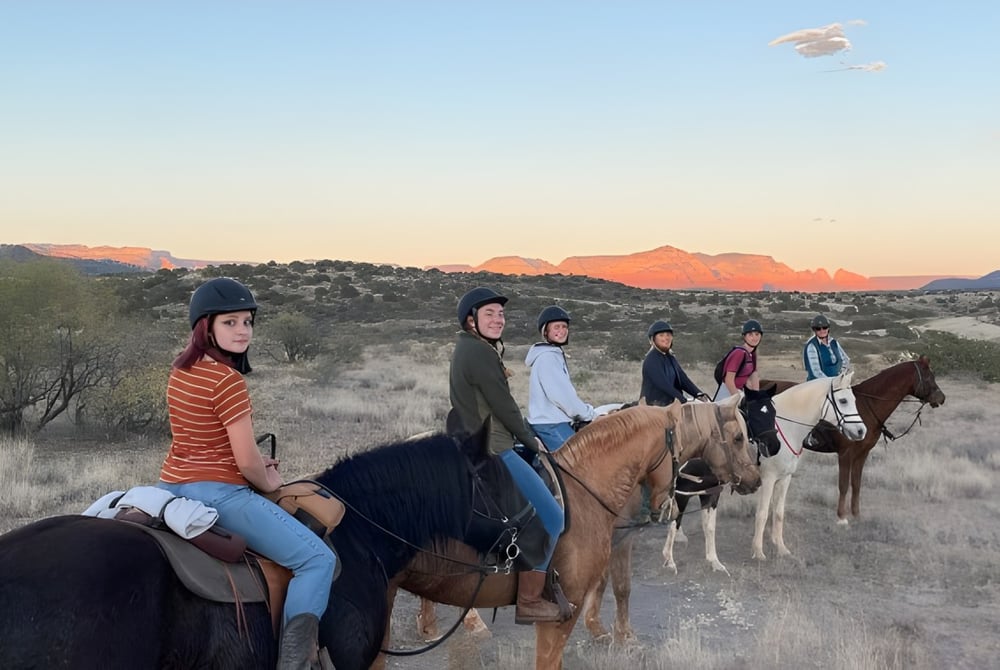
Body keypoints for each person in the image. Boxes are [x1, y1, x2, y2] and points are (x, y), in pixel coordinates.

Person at [158, 277, 336, 669]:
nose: (242, 331)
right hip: (219, 495)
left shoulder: (180, 370)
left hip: (170, 487)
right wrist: (269, 478)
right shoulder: (228, 381)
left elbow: (199, 439)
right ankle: (296, 664)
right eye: (230, 323)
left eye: (247, 322)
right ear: (206, 327)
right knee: (317, 560)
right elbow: (246, 463)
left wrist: (251, 460)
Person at [449, 287, 567, 624]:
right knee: (553, 517)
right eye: (489, 313)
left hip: (480, 440)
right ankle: (529, 600)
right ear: (471, 320)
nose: (498, 319)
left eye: (501, 314)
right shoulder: (480, 353)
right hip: (494, 447)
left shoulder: (470, 348)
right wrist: (533, 441)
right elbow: (505, 407)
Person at [525, 305, 597, 451]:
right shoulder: (548, 358)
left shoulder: (554, 354)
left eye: (564, 327)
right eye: (556, 327)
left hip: (557, 421)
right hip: (551, 424)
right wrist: (588, 414)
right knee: (583, 461)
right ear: (546, 331)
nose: (562, 331)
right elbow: (563, 397)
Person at [639, 320, 710, 406]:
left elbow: (683, 379)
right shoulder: (651, 359)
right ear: (652, 339)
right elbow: (663, 384)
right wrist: (683, 400)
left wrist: (698, 394)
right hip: (654, 407)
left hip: (670, 406)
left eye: (668, 335)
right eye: (661, 335)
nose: (666, 338)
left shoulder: (671, 358)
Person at [715, 319, 763, 400]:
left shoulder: (752, 353)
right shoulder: (739, 353)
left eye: (757, 334)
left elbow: (754, 374)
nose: (754, 337)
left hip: (740, 391)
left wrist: (756, 396)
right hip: (728, 393)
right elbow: (729, 380)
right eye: (750, 335)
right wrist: (738, 399)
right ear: (744, 337)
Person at [803, 313, 850, 380]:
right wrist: (831, 382)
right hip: (818, 383)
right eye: (818, 328)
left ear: (828, 328)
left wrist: (841, 375)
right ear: (814, 330)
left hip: (836, 381)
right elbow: (816, 371)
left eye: (824, 327)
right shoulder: (812, 346)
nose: (822, 330)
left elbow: (846, 360)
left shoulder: (834, 343)